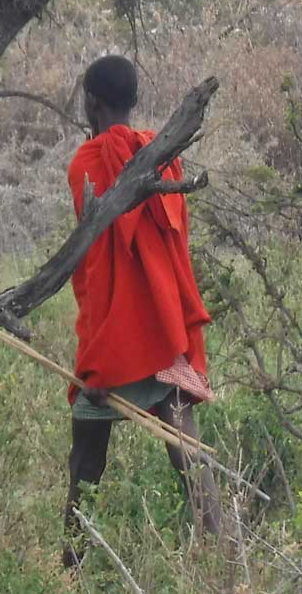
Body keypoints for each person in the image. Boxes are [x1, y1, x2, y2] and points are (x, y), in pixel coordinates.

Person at [63, 55, 221, 567]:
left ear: (91, 101)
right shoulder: (164, 157)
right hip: (164, 332)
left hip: (110, 342)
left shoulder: (86, 164)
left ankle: (71, 567)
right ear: (131, 101)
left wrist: (99, 347)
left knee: (86, 461)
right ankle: (225, 562)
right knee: (190, 456)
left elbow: (92, 264)